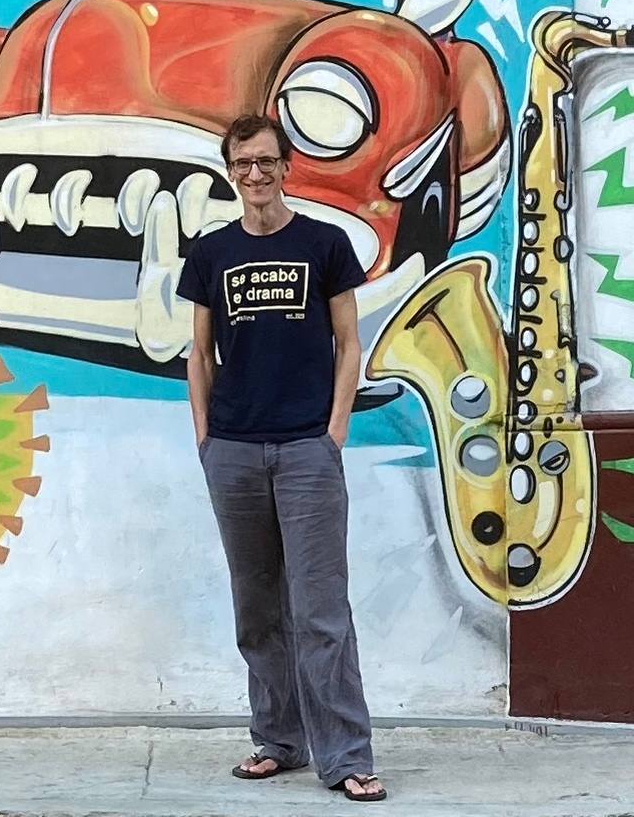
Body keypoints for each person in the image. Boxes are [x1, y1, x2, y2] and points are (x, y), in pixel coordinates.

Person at [176, 115, 387, 803]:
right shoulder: (211, 253)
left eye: (266, 161)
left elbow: (349, 343)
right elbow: (199, 352)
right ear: (230, 171)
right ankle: (278, 740)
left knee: (320, 610)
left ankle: (346, 755)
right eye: (243, 163)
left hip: (305, 449)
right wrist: (206, 436)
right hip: (233, 449)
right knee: (257, 608)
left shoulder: (324, 243)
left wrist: (333, 431)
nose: (255, 174)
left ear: (286, 166)